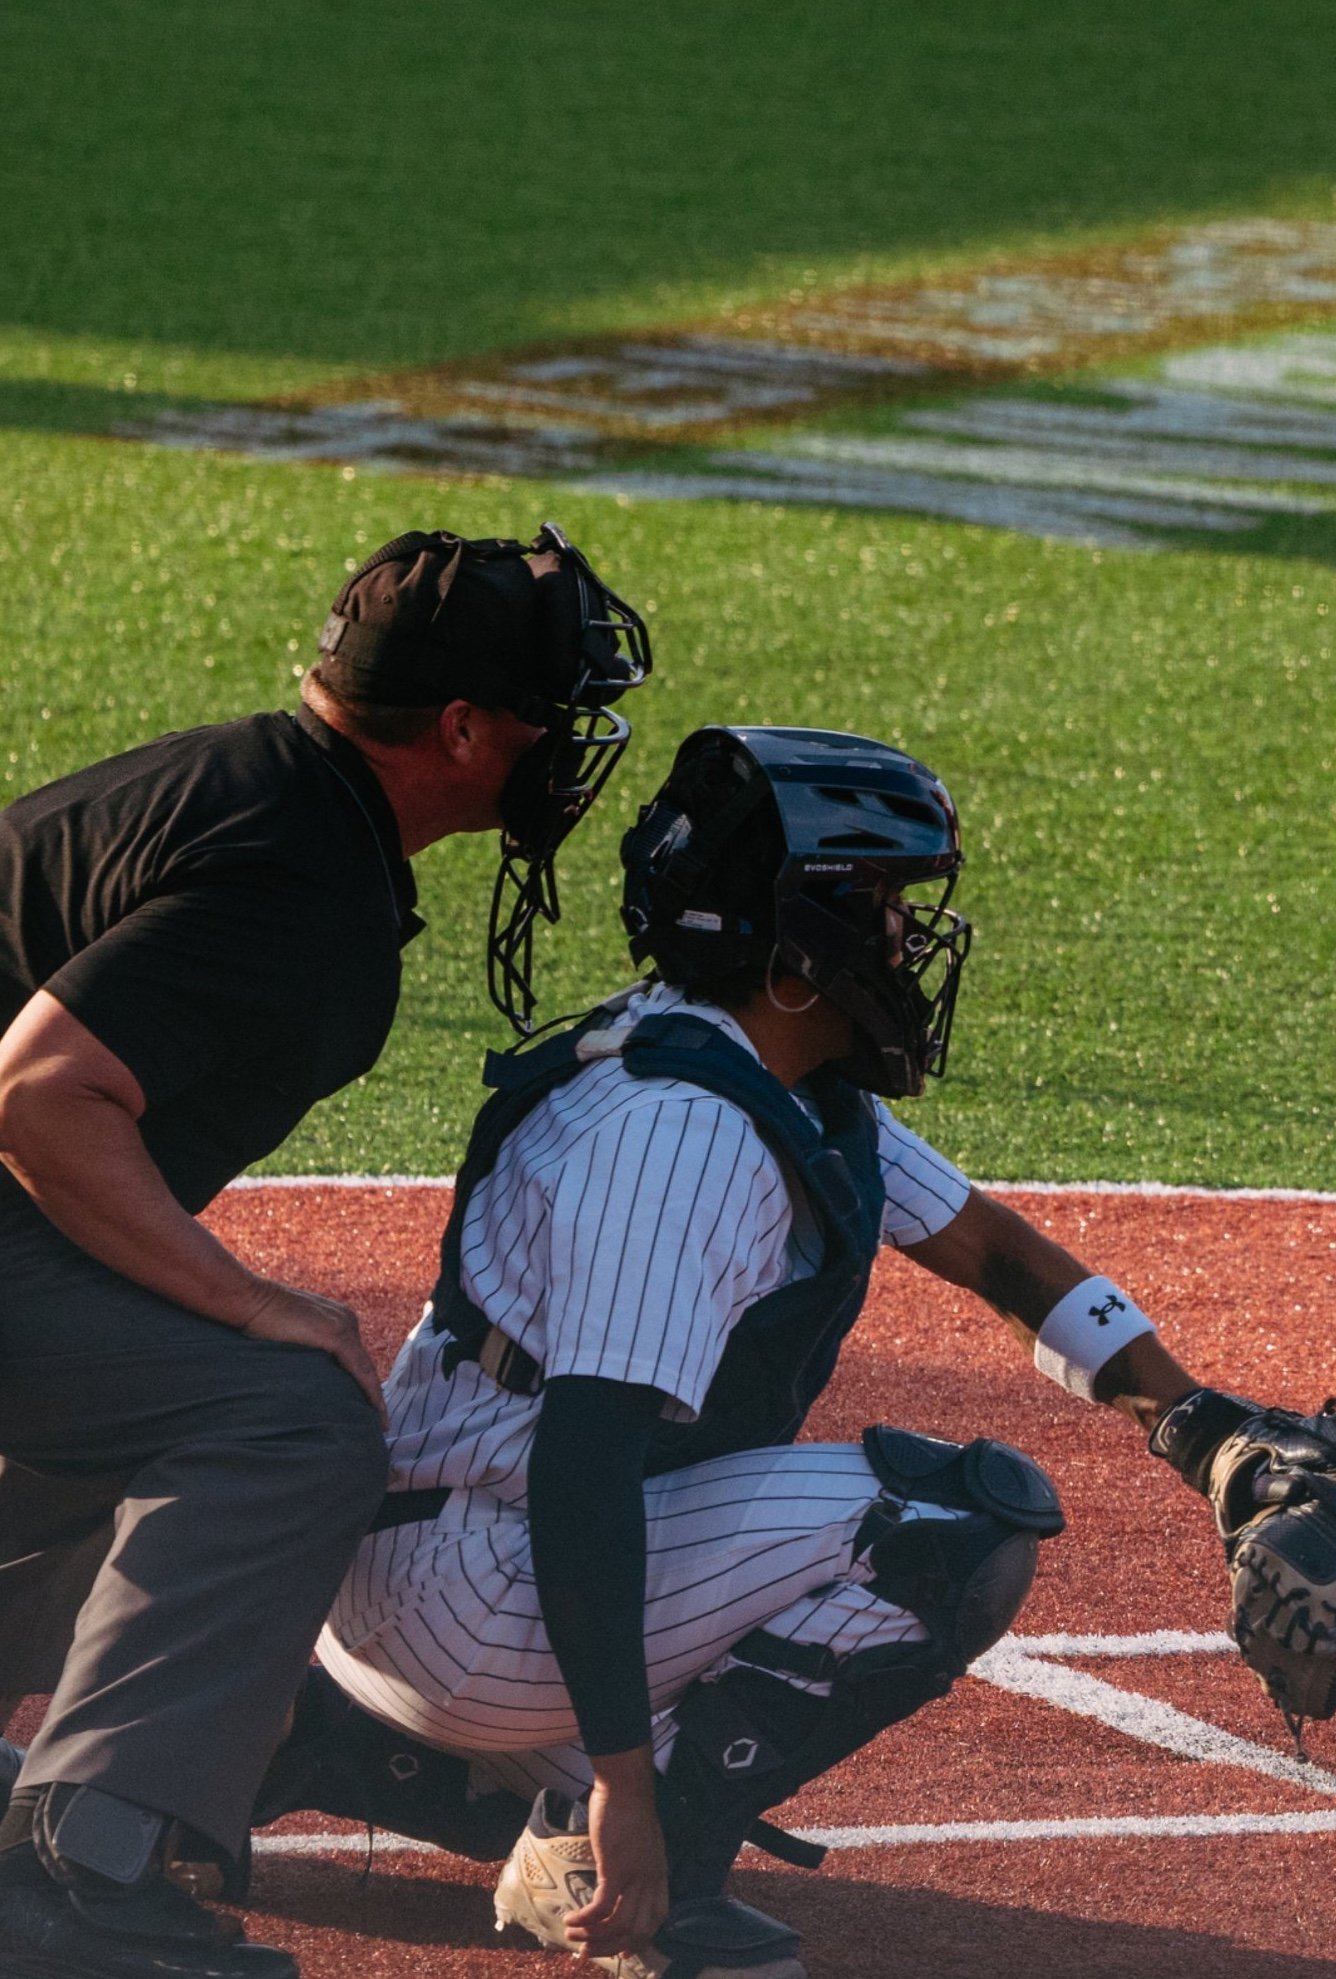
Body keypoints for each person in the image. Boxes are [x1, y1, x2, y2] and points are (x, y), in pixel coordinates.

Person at [242, 725, 1336, 1979]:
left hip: (414, 1577)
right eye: (877, 903)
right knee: (950, 1525)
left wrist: (1201, 1428)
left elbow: (995, 1253)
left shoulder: (751, 1068)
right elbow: (582, 1472)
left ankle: (333, 1741)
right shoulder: (680, 1138)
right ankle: (604, 1846)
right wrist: (622, 1788)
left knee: (804, 1544)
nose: (905, 937)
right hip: (485, 1582)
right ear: (796, 943)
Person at [0, 527, 651, 1979]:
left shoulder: (262, 787)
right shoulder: (302, 877)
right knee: (281, 1412)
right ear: (465, 728)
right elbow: (39, 1091)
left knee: (163, 1377)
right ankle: (77, 1874)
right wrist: (249, 1299)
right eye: (552, 717)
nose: (571, 750)